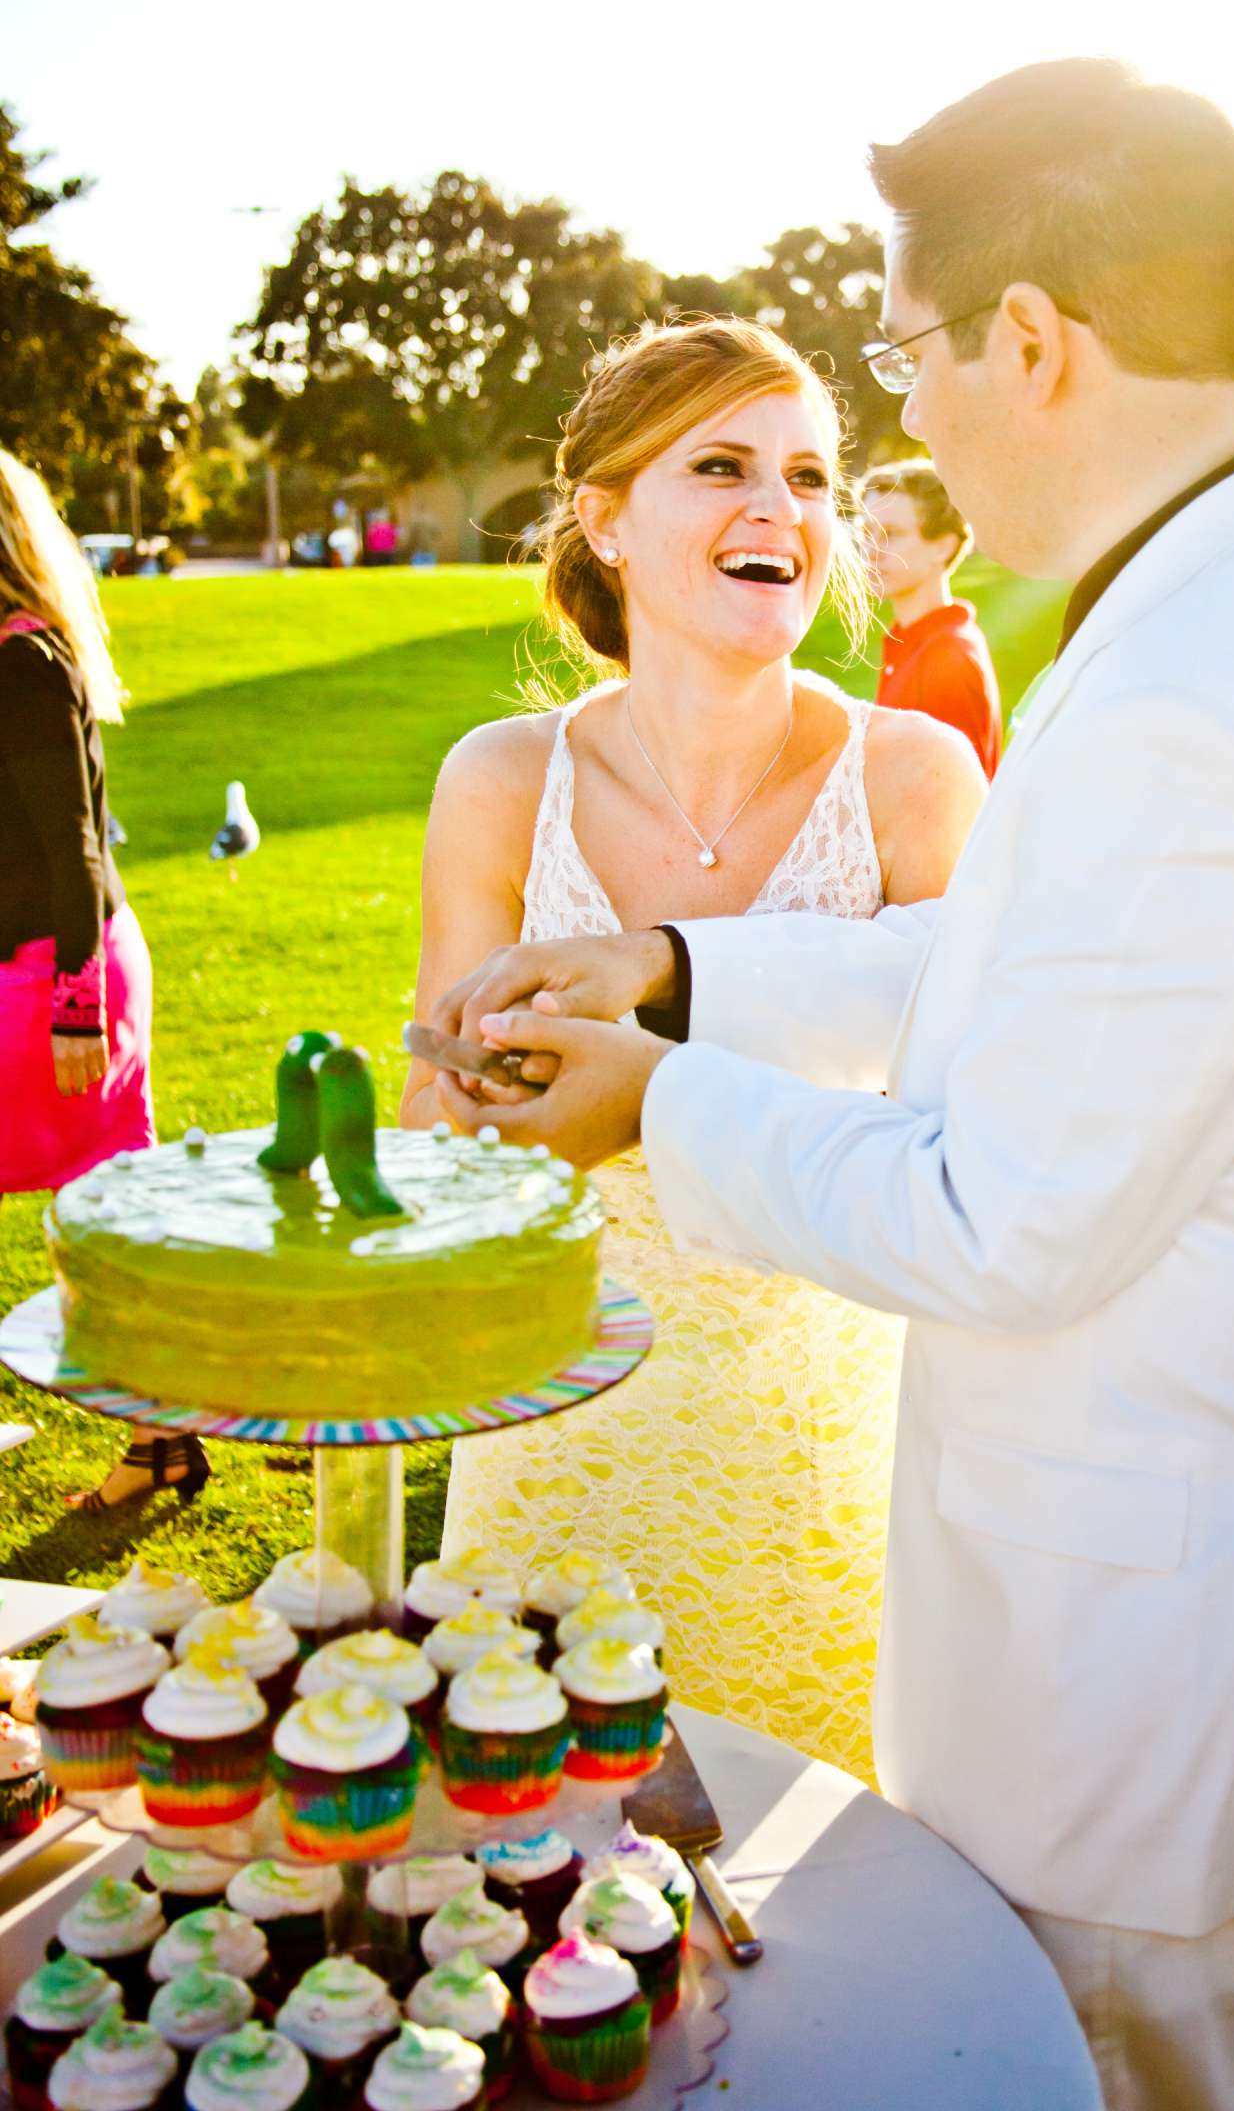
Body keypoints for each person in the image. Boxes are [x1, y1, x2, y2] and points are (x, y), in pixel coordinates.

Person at [434, 62, 1234, 2111]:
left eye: (907, 358)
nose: (898, 423)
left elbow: (996, 1218)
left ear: (1028, 339)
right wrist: (682, 967)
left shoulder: (1203, 685)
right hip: (1157, 1602)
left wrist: (648, 1102)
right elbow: (1004, 969)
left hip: (1146, 1664)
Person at [406, 316, 985, 1778]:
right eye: (721, 466)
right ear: (601, 513)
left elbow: (975, 1114)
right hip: (554, 1423)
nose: (778, 512)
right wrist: (470, 1104)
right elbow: (431, 1108)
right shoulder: (500, 778)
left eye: (808, 477)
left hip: (834, 1437)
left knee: (842, 1888)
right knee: (528, 1862)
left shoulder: (916, 777)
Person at [0, 452, 201, 1513]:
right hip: (27, 967)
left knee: (107, 1217)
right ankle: (161, 1435)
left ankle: (162, 1438)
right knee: (104, 1211)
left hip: (55, 980)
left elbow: (74, 844)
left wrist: (77, 1001)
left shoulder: (24, 662)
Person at [861, 460, 1003, 775]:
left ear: (942, 546)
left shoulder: (949, 657)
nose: (871, 549)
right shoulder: (911, 639)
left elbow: (959, 812)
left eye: (891, 534)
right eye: (866, 532)